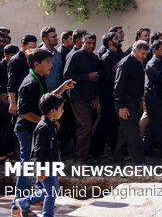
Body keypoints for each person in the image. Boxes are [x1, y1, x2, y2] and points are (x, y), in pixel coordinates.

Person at [12, 48, 75, 216]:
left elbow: (45, 102)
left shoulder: (39, 78)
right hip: (27, 130)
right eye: (48, 62)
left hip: (37, 128)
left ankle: (37, 199)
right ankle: (19, 205)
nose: (51, 64)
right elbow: (23, 111)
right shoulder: (29, 83)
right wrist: (47, 121)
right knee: (27, 167)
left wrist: (62, 87)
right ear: (36, 64)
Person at [17, 93, 65, 217]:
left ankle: (24, 201)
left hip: (52, 165)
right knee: (51, 193)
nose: (63, 111)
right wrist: (39, 170)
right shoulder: (43, 128)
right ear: (53, 111)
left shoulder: (52, 124)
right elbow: (37, 151)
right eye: (61, 108)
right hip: (45, 166)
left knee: (52, 190)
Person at [63, 33, 101, 164]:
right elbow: (67, 76)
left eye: (93, 43)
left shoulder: (95, 58)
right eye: (88, 43)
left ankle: (85, 155)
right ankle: (79, 158)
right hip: (77, 97)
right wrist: (87, 77)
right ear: (82, 43)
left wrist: (96, 97)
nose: (91, 46)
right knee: (85, 127)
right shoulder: (75, 56)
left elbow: (97, 79)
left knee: (89, 127)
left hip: (90, 97)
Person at [113, 41, 149, 164]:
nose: (144, 56)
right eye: (142, 53)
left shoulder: (138, 62)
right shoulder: (125, 64)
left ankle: (117, 158)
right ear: (134, 51)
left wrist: (139, 100)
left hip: (134, 101)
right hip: (125, 103)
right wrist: (122, 107)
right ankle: (140, 163)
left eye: (145, 54)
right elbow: (118, 87)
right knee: (134, 134)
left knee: (125, 132)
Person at [90, 32, 122, 158]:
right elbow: (109, 78)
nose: (119, 39)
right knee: (110, 123)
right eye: (116, 38)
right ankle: (115, 152)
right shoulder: (106, 57)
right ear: (109, 42)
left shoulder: (117, 55)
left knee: (106, 124)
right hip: (108, 96)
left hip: (113, 95)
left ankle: (96, 150)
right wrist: (119, 72)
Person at [0, 44, 19, 162]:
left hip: (14, 99)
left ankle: (9, 150)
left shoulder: (16, 65)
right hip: (4, 100)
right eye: (11, 56)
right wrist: (1, 94)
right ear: (5, 55)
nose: (14, 58)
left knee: (11, 125)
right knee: (9, 125)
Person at [144, 40, 162, 159]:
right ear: (155, 50)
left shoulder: (161, 62)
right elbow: (159, 78)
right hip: (154, 98)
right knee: (160, 127)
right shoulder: (152, 64)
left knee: (153, 126)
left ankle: (144, 148)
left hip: (161, 98)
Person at [8, 35, 38, 118]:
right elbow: (11, 84)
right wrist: (13, 103)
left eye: (34, 48)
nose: (32, 50)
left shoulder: (31, 59)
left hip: (30, 96)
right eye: (30, 48)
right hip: (19, 98)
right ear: (22, 46)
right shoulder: (16, 60)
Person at [40, 27, 63, 91]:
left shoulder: (57, 53)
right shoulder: (40, 54)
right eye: (53, 37)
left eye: (56, 36)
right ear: (45, 39)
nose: (57, 38)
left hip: (58, 93)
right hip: (45, 94)